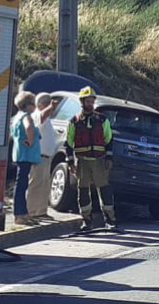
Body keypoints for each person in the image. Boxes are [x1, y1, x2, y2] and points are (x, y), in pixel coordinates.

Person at [66, 86, 117, 231]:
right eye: (87, 101)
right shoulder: (74, 121)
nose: (89, 104)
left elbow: (109, 140)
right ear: (81, 102)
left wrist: (109, 158)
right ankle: (86, 220)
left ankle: (110, 219)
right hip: (82, 161)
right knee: (83, 190)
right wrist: (70, 161)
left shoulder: (102, 120)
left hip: (99, 160)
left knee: (104, 189)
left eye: (91, 101)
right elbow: (68, 142)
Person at [10, 91, 41, 226]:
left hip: (18, 153)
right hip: (26, 154)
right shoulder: (26, 117)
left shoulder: (16, 117)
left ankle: (23, 213)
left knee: (21, 183)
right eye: (33, 104)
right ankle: (20, 214)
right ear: (27, 105)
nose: (34, 107)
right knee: (22, 184)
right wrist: (30, 139)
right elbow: (29, 128)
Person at [27, 92, 58, 219]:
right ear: (40, 105)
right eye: (46, 104)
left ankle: (41, 211)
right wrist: (51, 106)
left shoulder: (47, 118)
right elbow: (43, 116)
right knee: (35, 184)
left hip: (46, 157)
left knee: (44, 185)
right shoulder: (37, 115)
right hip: (38, 156)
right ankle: (31, 211)